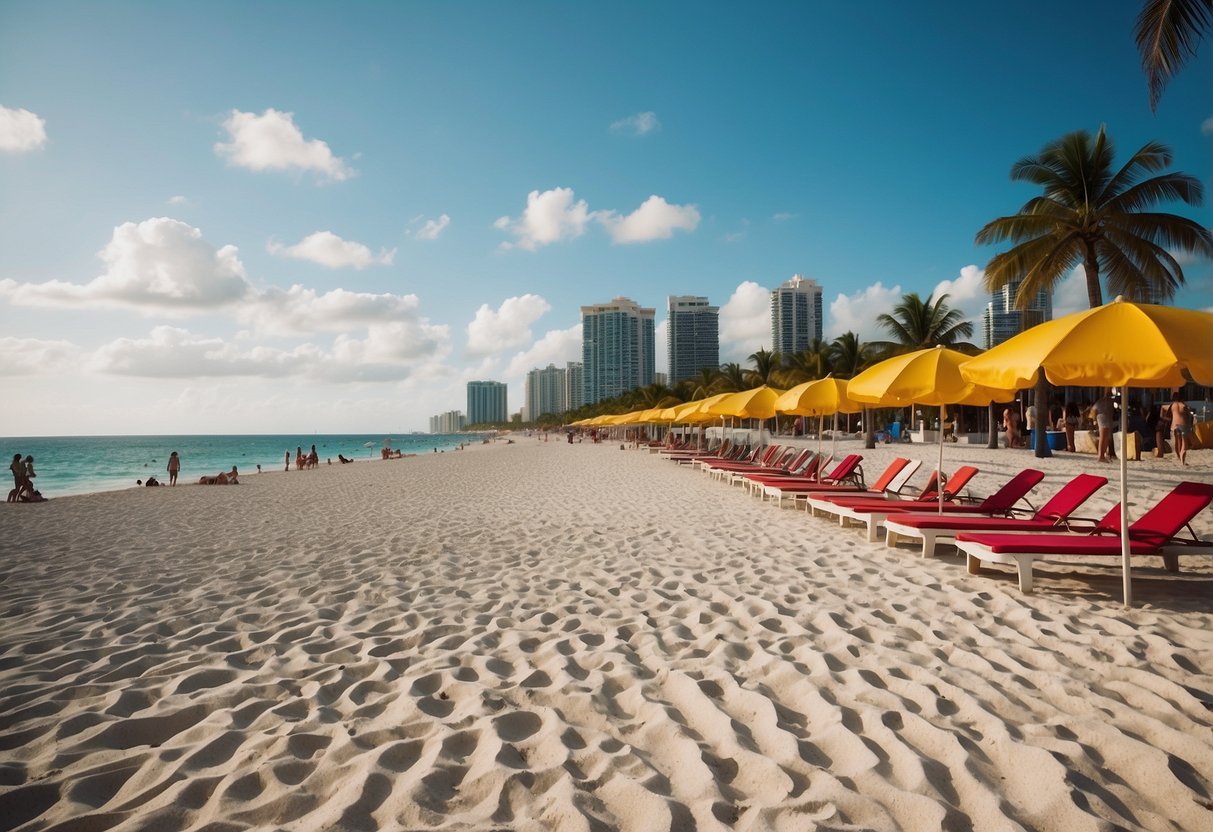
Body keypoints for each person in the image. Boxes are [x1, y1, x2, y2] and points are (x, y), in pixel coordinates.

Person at [1091, 391, 1117, 463]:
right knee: (1104, 437)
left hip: (1101, 419)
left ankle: (1104, 454)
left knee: (1105, 438)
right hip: (1104, 419)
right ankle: (1101, 456)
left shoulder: (1100, 401)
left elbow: (1093, 410)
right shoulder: (1110, 400)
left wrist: (1095, 420)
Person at [1170, 392, 1192, 465]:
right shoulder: (1184, 405)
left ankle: (1179, 457)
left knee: (1177, 442)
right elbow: (1188, 417)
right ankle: (1182, 461)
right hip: (1183, 425)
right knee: (1184, 444)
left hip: (1175, 426)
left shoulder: (1173, 405)